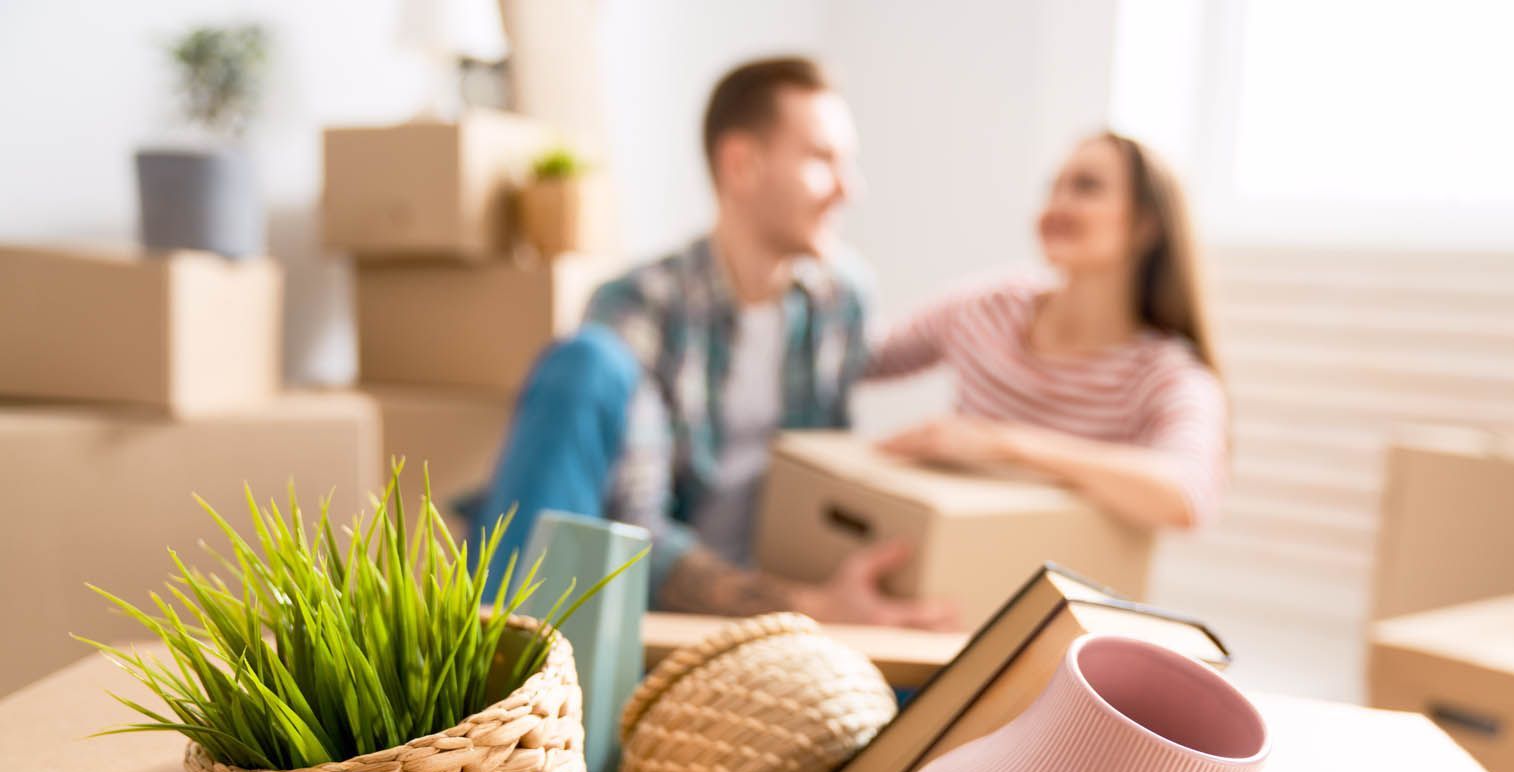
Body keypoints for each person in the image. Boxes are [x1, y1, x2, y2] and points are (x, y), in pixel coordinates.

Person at [474, 56, 953, 628]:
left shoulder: (840, 298)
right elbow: (634, 530)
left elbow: (830, 484)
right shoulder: (640, 303)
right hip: (654, 606)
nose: (850, 189)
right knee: (585, 362)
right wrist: (810, 608)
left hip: (778, 610)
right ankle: (513, 678)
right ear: (741, 165)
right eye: (823, 160)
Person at [864, 132, 1227, 531]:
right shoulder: (987, 309)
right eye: (1053, 188)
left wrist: (1003, 445)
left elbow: (1187, 496)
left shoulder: (1165, 375)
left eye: (1086, 186)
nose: (1057, 205)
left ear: (1146, 223)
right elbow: (867, 357)